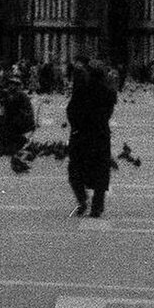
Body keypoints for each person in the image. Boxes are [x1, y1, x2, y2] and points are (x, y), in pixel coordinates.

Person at [66, 58, 117, 217]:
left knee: (75, 168)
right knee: (101, 170)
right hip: (100, 134)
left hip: (81, 134)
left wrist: (76, 126)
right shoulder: (108, 92)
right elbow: (108, 112)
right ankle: (97, 206)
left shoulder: (81, 89)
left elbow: (71, 111)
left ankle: (82, 199)